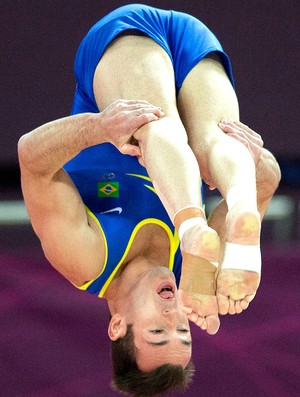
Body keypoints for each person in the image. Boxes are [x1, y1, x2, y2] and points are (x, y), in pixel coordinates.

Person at [18, 4, 281, 396]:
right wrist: (254, 159)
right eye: (183, 331)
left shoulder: (85, 258)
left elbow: (31, 159)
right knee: (216, 143)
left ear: (118, 326)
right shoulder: (193, 267)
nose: (173, 312)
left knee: (154, 127)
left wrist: (98, 126)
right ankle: (222, 205)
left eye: (158, 330)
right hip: (195, 42)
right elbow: (271, 179)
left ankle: (190, 223)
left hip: (122, 44)